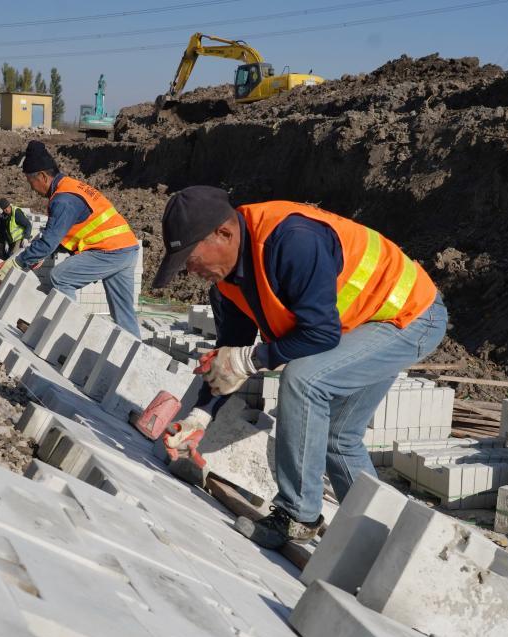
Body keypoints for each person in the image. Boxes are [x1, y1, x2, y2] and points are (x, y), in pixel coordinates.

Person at [152, 186, 448, 549]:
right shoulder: (226, 283)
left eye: (192, 258)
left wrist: (252, 360)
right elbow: (230, 356)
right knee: (339, 436)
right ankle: (382, 542)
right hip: (363, 321)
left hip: (409, 315)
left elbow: (320, 334)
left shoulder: (292, 241)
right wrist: (200, 416)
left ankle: (297, 516)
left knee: (304, 381)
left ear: (224, 233)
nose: (191, 270)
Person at [0, 141, 141, 337]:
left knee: (61, 277)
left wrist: (17, 262)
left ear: (42, 176)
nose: (32, 188)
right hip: (126, 248)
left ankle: (68, 334)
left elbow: (48, 242)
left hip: (110, 251)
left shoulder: (63, 200)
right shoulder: (71, 186)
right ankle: (134, 352)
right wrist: (42, 253)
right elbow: (62, 233)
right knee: (124, 315)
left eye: (30, 182)